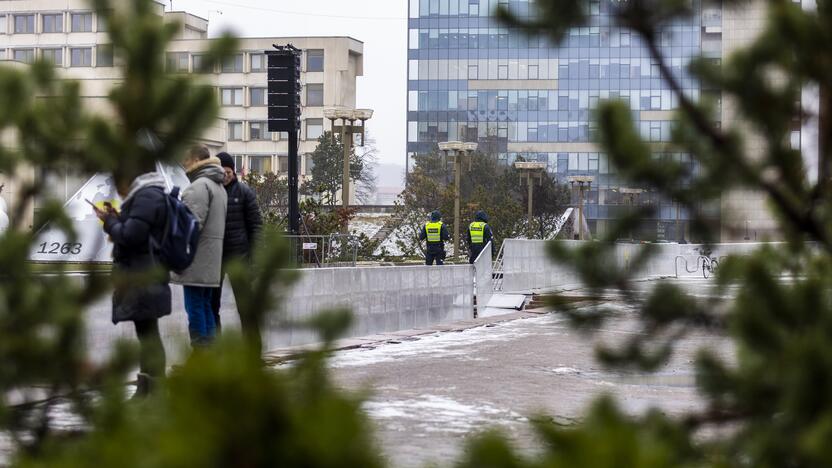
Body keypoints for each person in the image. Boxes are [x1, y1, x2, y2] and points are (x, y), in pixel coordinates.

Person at [97, 168, 170, 397]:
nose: (119, 191)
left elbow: (131, 236)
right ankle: (148, 388)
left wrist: (110, 222)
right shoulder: (149, 195)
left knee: (148, 334)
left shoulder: (147, 197)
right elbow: (138, 230)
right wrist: (117, 218)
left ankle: (153, 390)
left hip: (143, 275)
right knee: (147, 332)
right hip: (145, 272)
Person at [171, 145, 227, 348]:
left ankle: (202, 354)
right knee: (205, 306)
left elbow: (190, 225)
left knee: (195, 307)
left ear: (195, 160)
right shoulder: (217, 186)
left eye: (186, 159)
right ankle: (210, 353)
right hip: (210, 259)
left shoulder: (199, 186)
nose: (184, 163)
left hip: (195, 260)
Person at [212, 152, 263, 350]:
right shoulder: (212, 191)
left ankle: (252, 350)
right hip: (215, 258)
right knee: (211, 306)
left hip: (239, 258)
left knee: (246, 308)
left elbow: (256, 226)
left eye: (228, 171)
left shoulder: (244, 192)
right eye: (221, 171)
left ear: (233, 171)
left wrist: (254, 258)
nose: (225, 175)